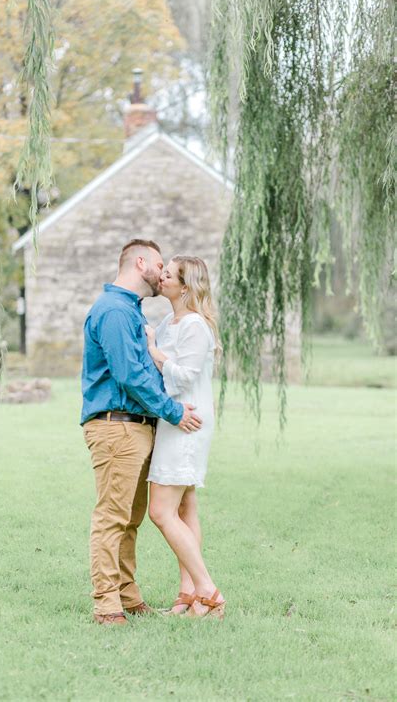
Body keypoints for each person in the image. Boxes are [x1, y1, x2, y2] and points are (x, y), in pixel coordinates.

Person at [81, 239, 202, 626]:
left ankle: (129, 596)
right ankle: (106, 605)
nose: (162, 272)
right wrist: (172, 411)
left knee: (130, 520)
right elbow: (130, 375)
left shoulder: (130, 312)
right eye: (159, 264)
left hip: (136, 429)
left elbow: (146, 369)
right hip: (117, 427)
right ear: (140, 263)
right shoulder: (115, 311)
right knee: (112, 517)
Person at [145, 256, 226, 619]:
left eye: (167, 274)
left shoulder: (194, 325)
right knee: (184, 506)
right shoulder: (168, 321)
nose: (160, 278)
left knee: (160, 511)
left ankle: (208, 592)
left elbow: (183, 376)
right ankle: (188, 594)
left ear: (185, 285)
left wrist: (151, 350)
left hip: (187, 420)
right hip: (173, 419)